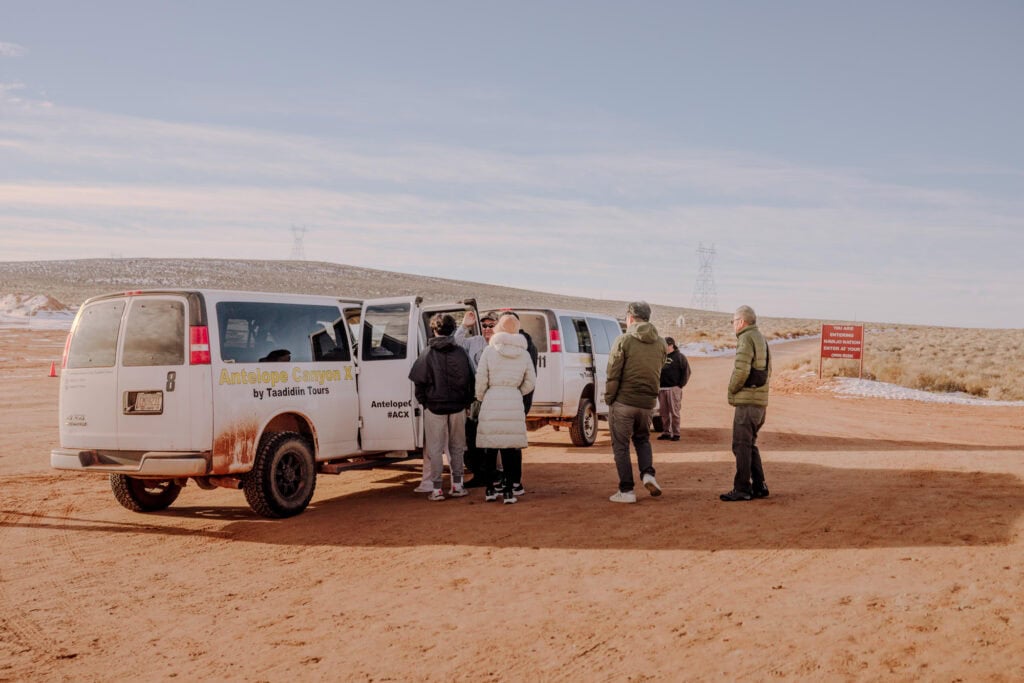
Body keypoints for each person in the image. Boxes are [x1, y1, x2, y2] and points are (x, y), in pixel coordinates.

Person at [408, 313, 476, 501]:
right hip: (458, 407)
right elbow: (472, 379)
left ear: (434, 329)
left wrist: (425, 403)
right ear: (453, 329)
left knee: (435, 449)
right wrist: (466, 403)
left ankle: (437, 489)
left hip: (434, 407)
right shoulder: (460, 353)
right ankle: (457, 485)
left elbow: (418, 382)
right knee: (457, 447)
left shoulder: (427, 354)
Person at [605, 301, 666, 503]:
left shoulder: (624, 339)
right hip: (647, 403)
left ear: (630, 317)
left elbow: (613, 372)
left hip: (624, 401)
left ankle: (627, 490)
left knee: (620, 445)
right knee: (642, 439)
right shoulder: (661, 343)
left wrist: (609, 398)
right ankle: (648, 474)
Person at [474, 312, 536, 504]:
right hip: (513, 399)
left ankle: (490, 489)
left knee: (490, 447)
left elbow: (481, 378)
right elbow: (530, 382)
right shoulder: (524, 353)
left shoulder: (489, 351)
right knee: (510, 448)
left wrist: (482, 395)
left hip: (492, 399)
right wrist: (517, 392)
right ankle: (509, 490)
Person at [720, 305, 771, 502]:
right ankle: (759, 485)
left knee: (740, 445)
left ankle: (742, 488)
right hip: (759, 402)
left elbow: (741, 371)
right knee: (749, 445)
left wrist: (732, 389)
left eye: (733, 321)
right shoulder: (761, 339)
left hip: (748, 402)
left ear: (741, 322)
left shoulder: (746, 339)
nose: (733, 325)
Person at [454, 310, 498, 487]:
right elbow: (455, 342)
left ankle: (495, 474)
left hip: (495, 396)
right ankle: (480, 474)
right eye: (484, 325)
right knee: (473, 436)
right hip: (476, 397)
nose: (487, 329)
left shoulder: (500, 343)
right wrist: (465, 325)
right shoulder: (476, 341)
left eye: (491, 325)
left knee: (493, 437)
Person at [656, 337, 690, 442]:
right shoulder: (661, 357)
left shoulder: (680, 357)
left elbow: (687, 372)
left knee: (674, 412)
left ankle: (676, 433)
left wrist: (680, 385)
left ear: (671, 345)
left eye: (665, 345)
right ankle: (666, 432)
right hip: (661, 388)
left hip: (673, 388)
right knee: (664, 412)